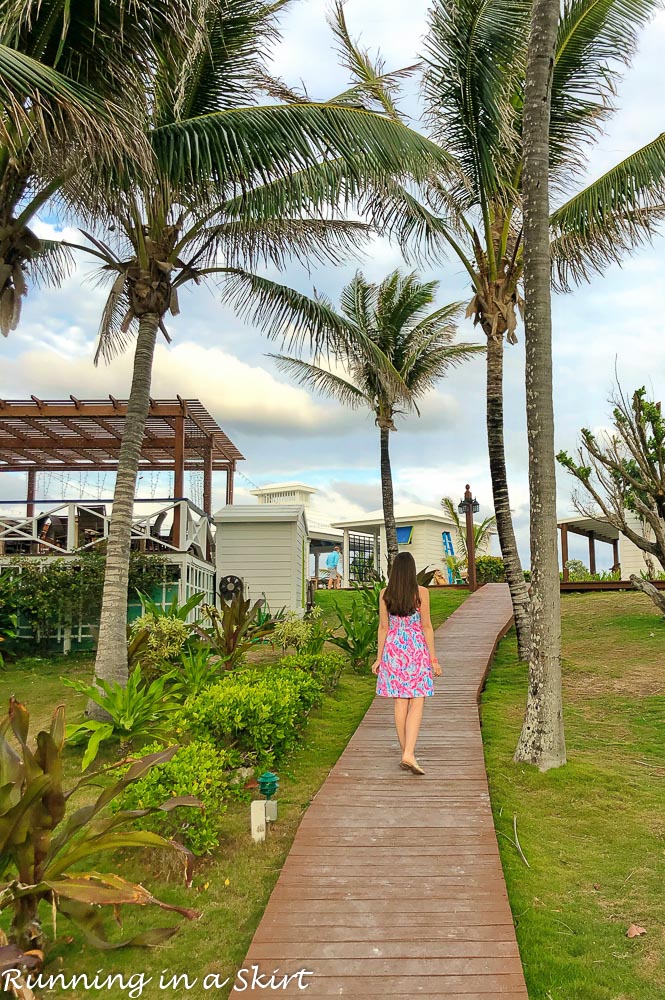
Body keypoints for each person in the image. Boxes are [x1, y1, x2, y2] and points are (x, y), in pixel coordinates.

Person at [371, 552, 441, 775]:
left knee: (400, 702)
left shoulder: (385, 594)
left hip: (393, 650)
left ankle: (407, 752)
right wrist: (433, 659)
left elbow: (383, 627)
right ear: (412, 571)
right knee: (417, 700)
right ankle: (409, 753)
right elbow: (426, 626)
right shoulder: (421, 593)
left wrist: (379, 658)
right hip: (416, 650)